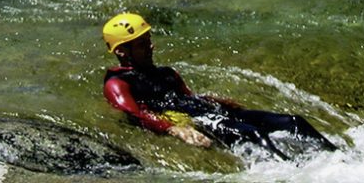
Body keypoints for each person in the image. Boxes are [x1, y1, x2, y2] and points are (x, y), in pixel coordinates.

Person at [101, 12, 336, 160]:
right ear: (122, 51)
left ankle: (340, 159)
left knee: (293, 122)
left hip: (207, 111)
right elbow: (134, 113)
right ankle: (296, 174)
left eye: (149, 41)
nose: (151, 47)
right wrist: (174, 130)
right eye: (142, 44)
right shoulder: (117, 83)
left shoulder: (167, 73)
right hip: (191, 121)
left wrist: (216, 101)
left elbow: (187, 96)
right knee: (250, 133)